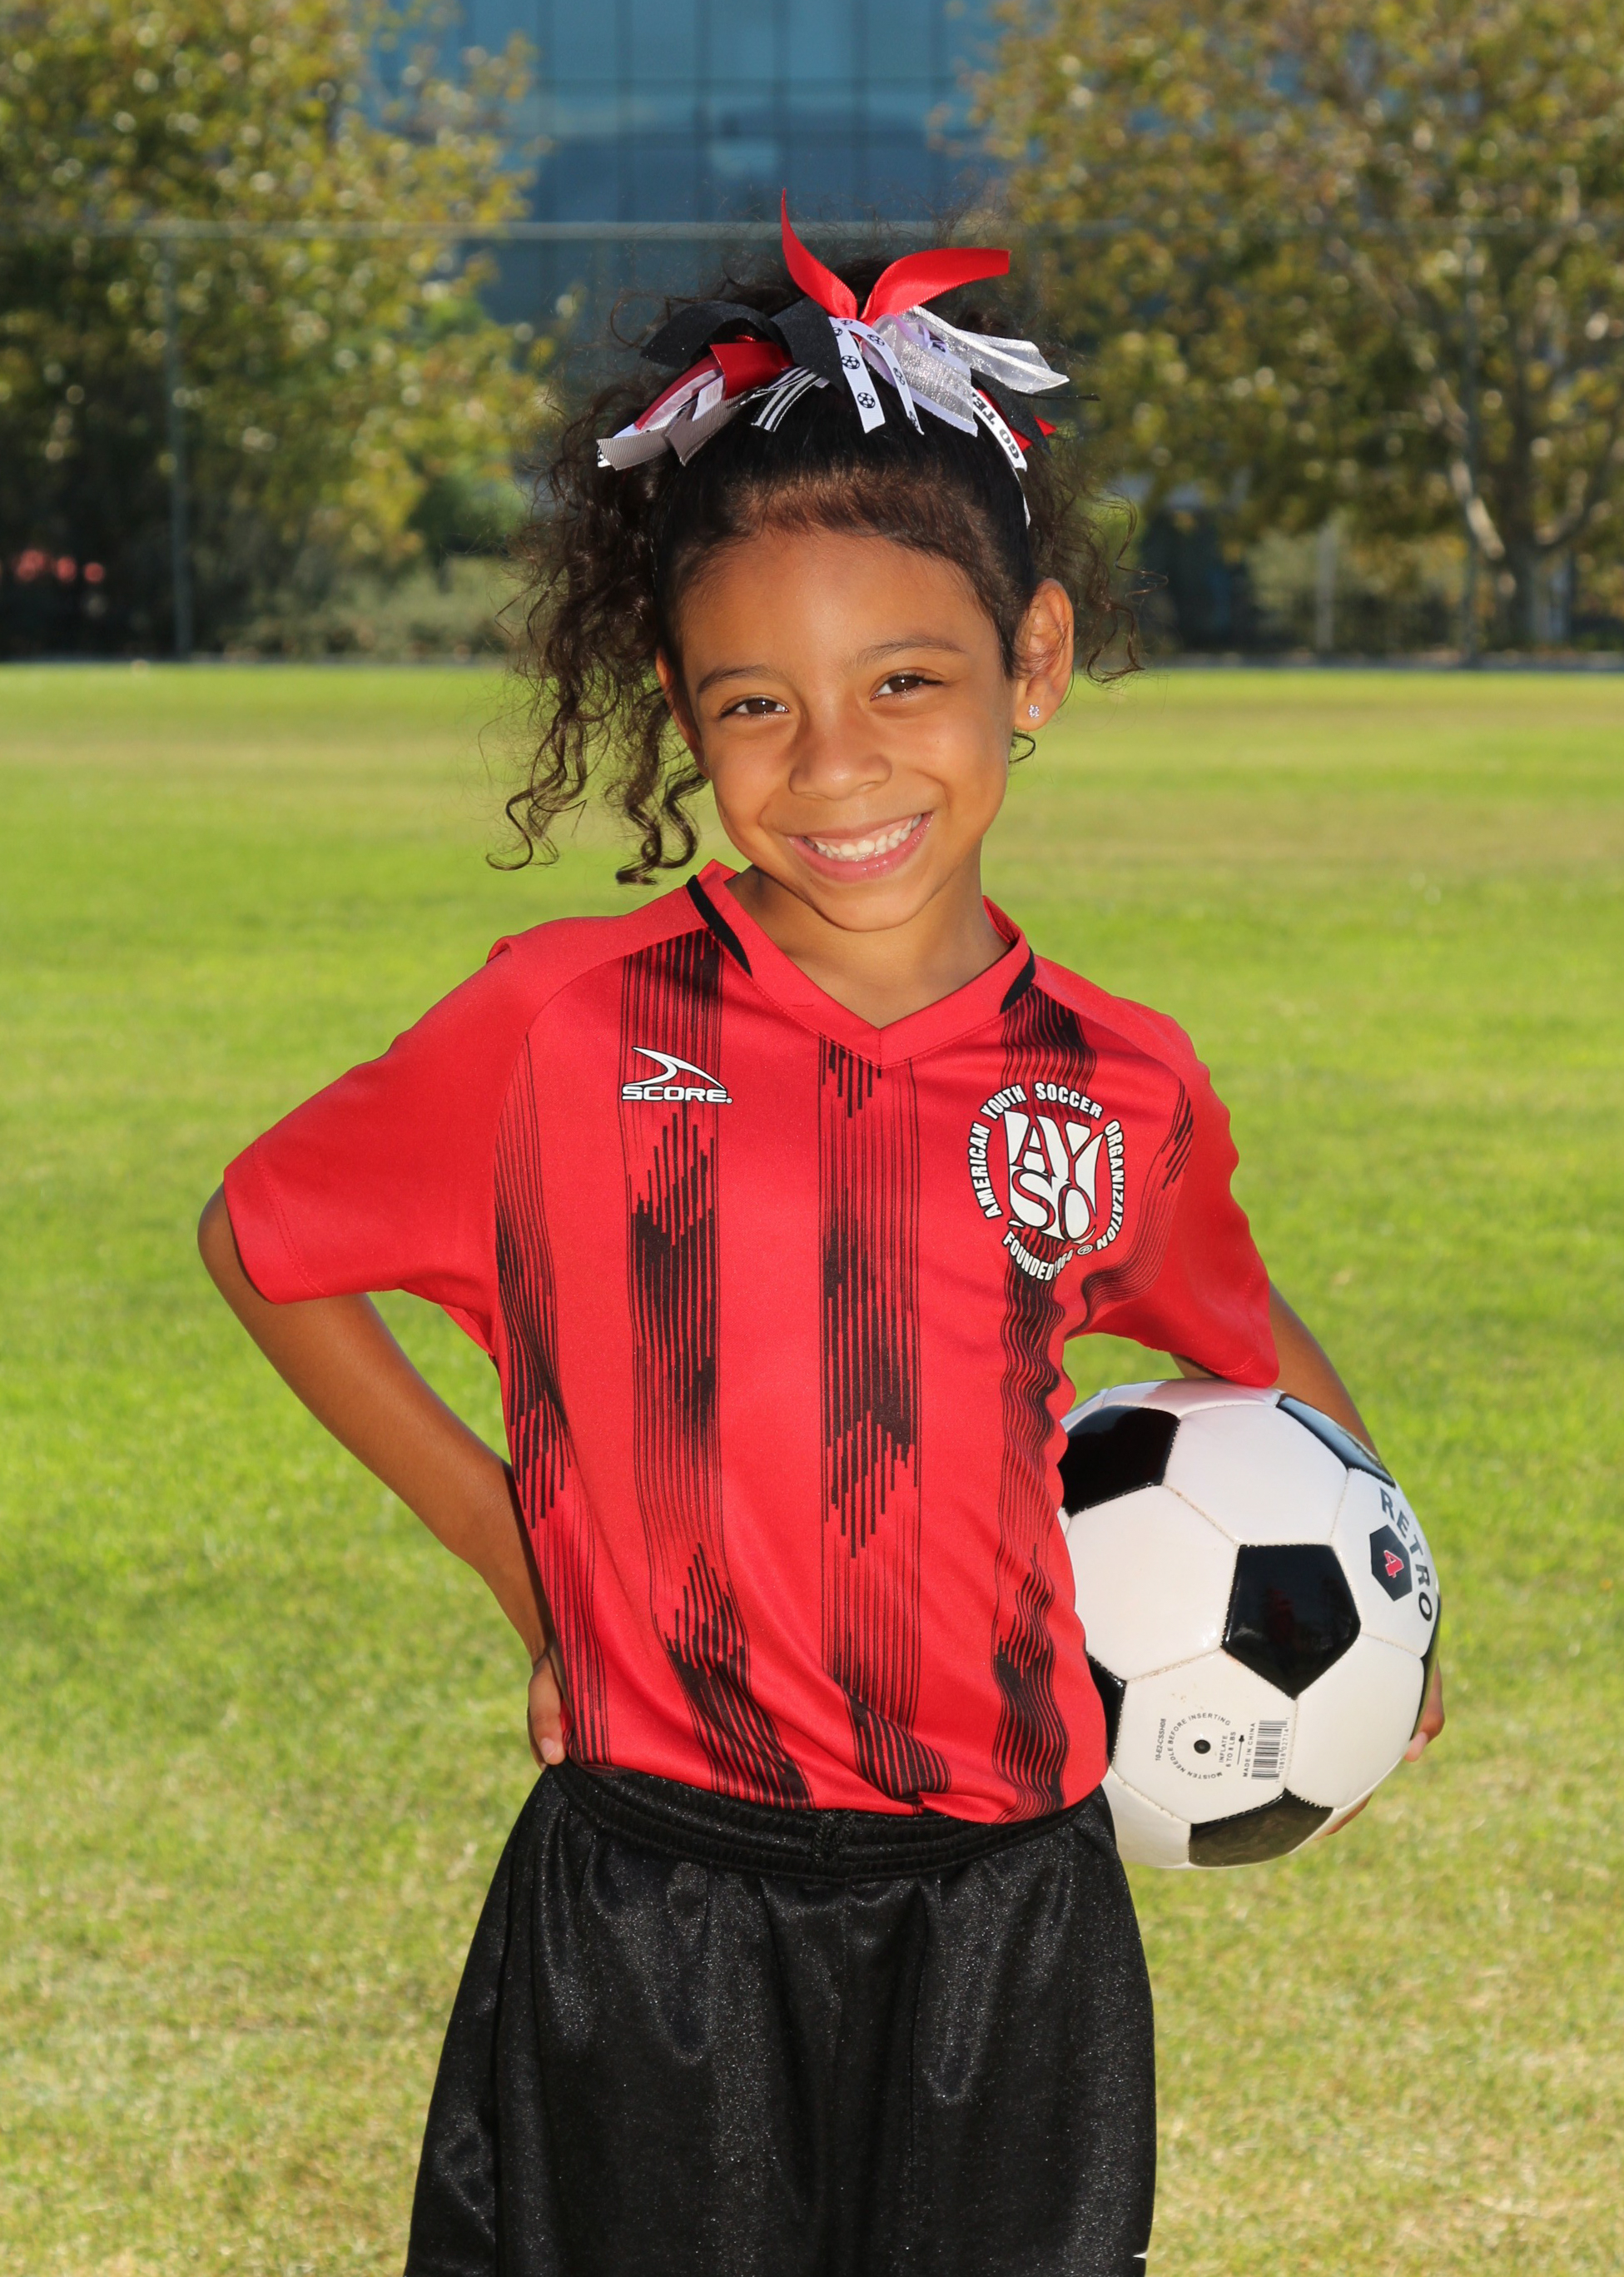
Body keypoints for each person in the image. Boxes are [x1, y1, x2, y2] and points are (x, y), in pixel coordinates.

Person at [198, 204, 1443, 2277]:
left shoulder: (1112, 1079)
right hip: (656, 1902)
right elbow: (267, 1242)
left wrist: (1389, 1596)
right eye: (755, 704)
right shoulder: (563, 1024)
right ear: (675, 707)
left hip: (1011, 1914)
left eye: (905, 681)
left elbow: (1238, 1337)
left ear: (1033, 663)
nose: (837, 763)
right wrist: (523, 1563)